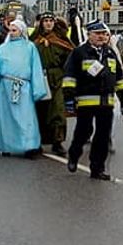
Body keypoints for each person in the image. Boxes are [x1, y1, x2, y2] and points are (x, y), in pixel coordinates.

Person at [62, 20, 123, 180]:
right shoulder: (79, 53)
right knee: (83, 132)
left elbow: (119, 78)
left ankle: (97, 169)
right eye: (98, 34)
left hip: (106, 102)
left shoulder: (110, 53)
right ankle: (74, 156)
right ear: (89, 35)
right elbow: (69, 76)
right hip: (86, 101)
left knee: (102, 137)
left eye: (104, 34)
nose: (101, 37)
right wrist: (69, 98)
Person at [0, 18, 49, 158]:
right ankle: (6, 145)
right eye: (10, 30)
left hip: (23, 88)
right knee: (5, 118)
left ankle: (30, 146)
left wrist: (37, 89)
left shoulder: (30, 47)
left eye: (14, 30)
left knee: (26, 118)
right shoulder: (2, 48)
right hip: (3, 88)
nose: (11, 33)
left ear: (21, 31)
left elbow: (36, 68)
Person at [32, 11, 73, 155]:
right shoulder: (34, 41)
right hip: (39, 78)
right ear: (41, 23)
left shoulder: (61, 40)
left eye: (51, 21)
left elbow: (71, 58)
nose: (48, 23)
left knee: (57, 110)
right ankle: (37, 142)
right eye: (46, 21)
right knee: (39, 111)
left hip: (57, 79)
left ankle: (57, 141)